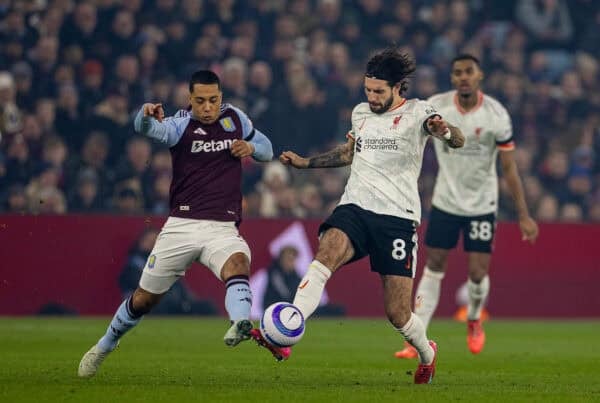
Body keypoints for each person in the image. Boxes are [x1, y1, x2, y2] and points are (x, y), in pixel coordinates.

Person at [254, 47, 465, 384]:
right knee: (327, 251)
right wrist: (306, 163)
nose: (372, 96)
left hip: (397, 217)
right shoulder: (360, 114)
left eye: (378, 91)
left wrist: (444, 130)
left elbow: (458, 139)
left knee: (397, 313)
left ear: (398, 88)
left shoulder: (419, 112)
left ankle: (427, 353)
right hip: (355, 206)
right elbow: (349, 154)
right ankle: (289, 330)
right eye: (368, 90)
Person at [78, 70, 274, 378]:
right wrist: (143, 115)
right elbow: (144, 128)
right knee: (143, 300)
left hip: (222, 228)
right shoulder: (179, 125)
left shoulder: (236, 119)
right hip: (181, 226)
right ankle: (105, 344)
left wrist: (251, 148)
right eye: (200, 101)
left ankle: (239, 322)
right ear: (190, 100)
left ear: (221, 98)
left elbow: (267, 148)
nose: (207, 107)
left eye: (213, 100)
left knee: (238, 263)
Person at [394, 54, 539, 360]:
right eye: (457, 72)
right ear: (452, 78)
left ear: (479, 75)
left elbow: (509, 168)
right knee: (434, 265)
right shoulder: (437, 105)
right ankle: (416, 337)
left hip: (482, 203)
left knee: (476, 272)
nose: (463, 77)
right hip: (446, 201)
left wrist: (524, 214)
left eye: (468, 72)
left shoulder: (496, 114)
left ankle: (474, 318)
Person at [118, 227, 218, 315]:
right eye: (149, 241)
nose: (152, 244)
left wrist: (188, 299)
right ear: (141, 242)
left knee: (206, 306)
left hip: (174, 303)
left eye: (155, 241)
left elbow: (179, 285)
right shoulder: (134, 264)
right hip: (151, 305)